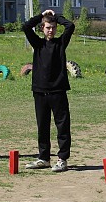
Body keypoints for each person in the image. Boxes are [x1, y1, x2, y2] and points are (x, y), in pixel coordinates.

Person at [22, 9, 75, 172]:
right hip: (40, 91)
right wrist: (41, 16)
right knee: (42, 126)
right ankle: (43, 158)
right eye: (47, 27)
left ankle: (62, 159)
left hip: (58, 91)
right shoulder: (38, 44)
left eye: (53, 27)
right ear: (42, 29)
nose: (50, 30)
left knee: (62, 125)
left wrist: (56, 17)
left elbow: (70, 26)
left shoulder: (60, 43)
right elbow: (25, 26)